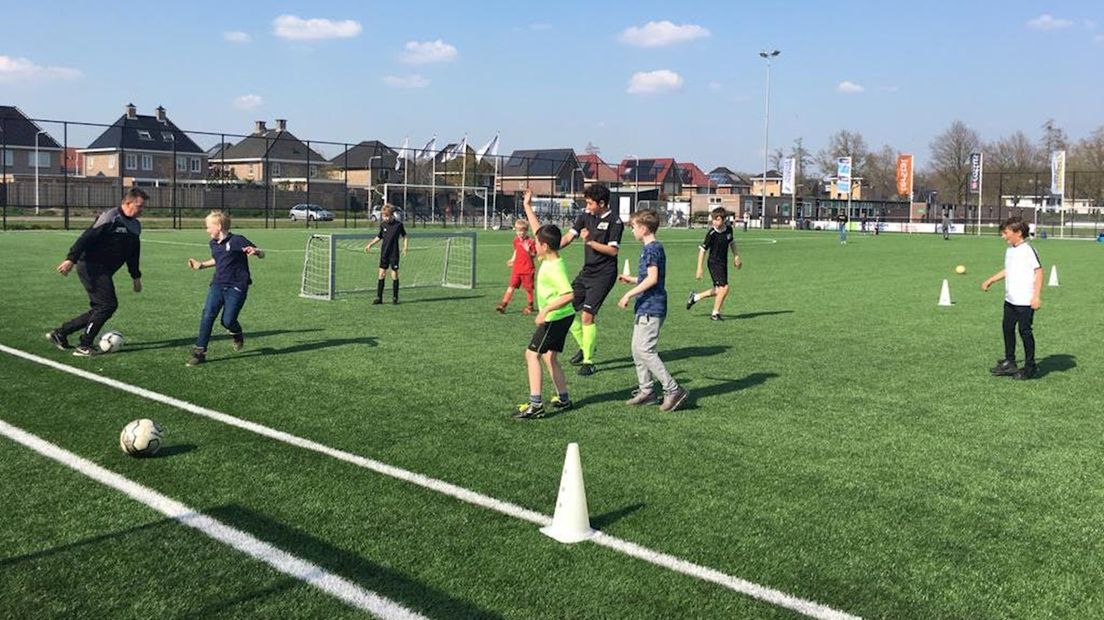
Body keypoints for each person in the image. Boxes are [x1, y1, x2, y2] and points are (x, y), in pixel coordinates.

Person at [47, 188, 148, 357]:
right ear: (127, 203)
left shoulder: (135, 226)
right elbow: (86, 238)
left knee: (100, 307)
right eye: (139, 206)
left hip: (105, 270)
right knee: (107, 305)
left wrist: (136, 276)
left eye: (143, 206)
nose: (142, 210)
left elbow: (133, 254)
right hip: (90, 265)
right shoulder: (110, 217)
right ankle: (84, 345)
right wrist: (70, 259)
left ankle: (61, 333)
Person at [617, 209, 689, 412]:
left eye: (633, 227)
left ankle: (673, 389)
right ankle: (647, 391)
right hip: (646, 305)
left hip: (652, 305)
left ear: (643, 228)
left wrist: (628, 294)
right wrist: (631, 279)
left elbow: (653, 278)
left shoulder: (651, 249)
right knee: (636, 348)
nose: (632, 231)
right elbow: (648, 277)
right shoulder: (651, 248)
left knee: (645, 350)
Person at [513, 189, 575, 419]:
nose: (534, 245)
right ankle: (564, 398)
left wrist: (546, 310)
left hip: (556, 317)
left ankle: (535, 405)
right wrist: (528, 206)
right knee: (549, 356)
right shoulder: (551, 256)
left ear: (545, 246)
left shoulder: (554, 267)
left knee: (532, 355)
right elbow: (538, 229)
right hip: (564, 316)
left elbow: (569, 294)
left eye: (537, 243)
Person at [559, 183, 624, 376]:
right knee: (565, 308)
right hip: (586, 271)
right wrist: (550, 248)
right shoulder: (585, 216)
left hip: (604, 274)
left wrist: (590, 242)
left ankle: (589, 361)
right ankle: (585, 345)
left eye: (590, 203)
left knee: (587, 316)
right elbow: (568, 237)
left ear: (601, 203)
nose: (587, 206)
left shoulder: (615, 221)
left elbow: (613, 251)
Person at [184, 211, 264, 366]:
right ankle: (200, 352)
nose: (206, 230)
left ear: (219, 226)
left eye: (208, 227)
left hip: (237, 285)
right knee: (207, 314)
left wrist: (256, 252)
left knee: (227, 321)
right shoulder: (213, 243)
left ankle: (237, 334)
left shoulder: (237, 240)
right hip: (218, 284)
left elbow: (261, 253)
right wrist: (202, 265)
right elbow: (219, 259)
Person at [983, 216, 1043, 380]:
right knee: (1007, 329)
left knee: (1025, 332)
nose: (1003, 236)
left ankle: (1030, 367)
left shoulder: (1028, 250)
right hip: (1010, 299)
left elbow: (1039, 272)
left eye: (1006, 232)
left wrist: (1036, 296)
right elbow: (1009, 270)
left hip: (1025, 300)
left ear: (1018, 232)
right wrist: (992, 279)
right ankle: (1010, 361)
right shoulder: (1010, 250)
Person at [686, 207, 741, 321]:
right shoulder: (711, 234)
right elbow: (702, 250)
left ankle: (695, 297)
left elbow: (732, 242)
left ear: (724, 220)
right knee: (724, 288)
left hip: (723, 263)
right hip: (713, 263)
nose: (715, 222)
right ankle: (715, 314)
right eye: (713, 220)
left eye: (718, 219)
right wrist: (699, 268)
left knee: (718, 290)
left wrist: (736, 256)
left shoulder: (729, 230)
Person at [363, 204, 408, 304]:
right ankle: (379, 298)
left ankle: (395, 298)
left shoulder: (398, 225)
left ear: (392, 215)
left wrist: (405, 247)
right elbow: (379, 236)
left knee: (394, 275)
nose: (385, 218)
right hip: (384, 253)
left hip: (394, 253)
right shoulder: (383, 225)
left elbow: (405, 236)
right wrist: (370, 244)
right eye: (384, 216)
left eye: (387, 216)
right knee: (381, 274)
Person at [496, 218, 536, 315]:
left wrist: (528, 250)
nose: (520, 233)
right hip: (517, 269)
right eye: (518, 231)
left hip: (527, 269)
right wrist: (512, 259)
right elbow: (516, 251)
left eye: (522, 231)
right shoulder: (516, 240)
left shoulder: (530, 242)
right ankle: (503, 304)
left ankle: (530, 306)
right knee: (511, 286)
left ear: (526, 231)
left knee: (528, 289)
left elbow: (534, 254)